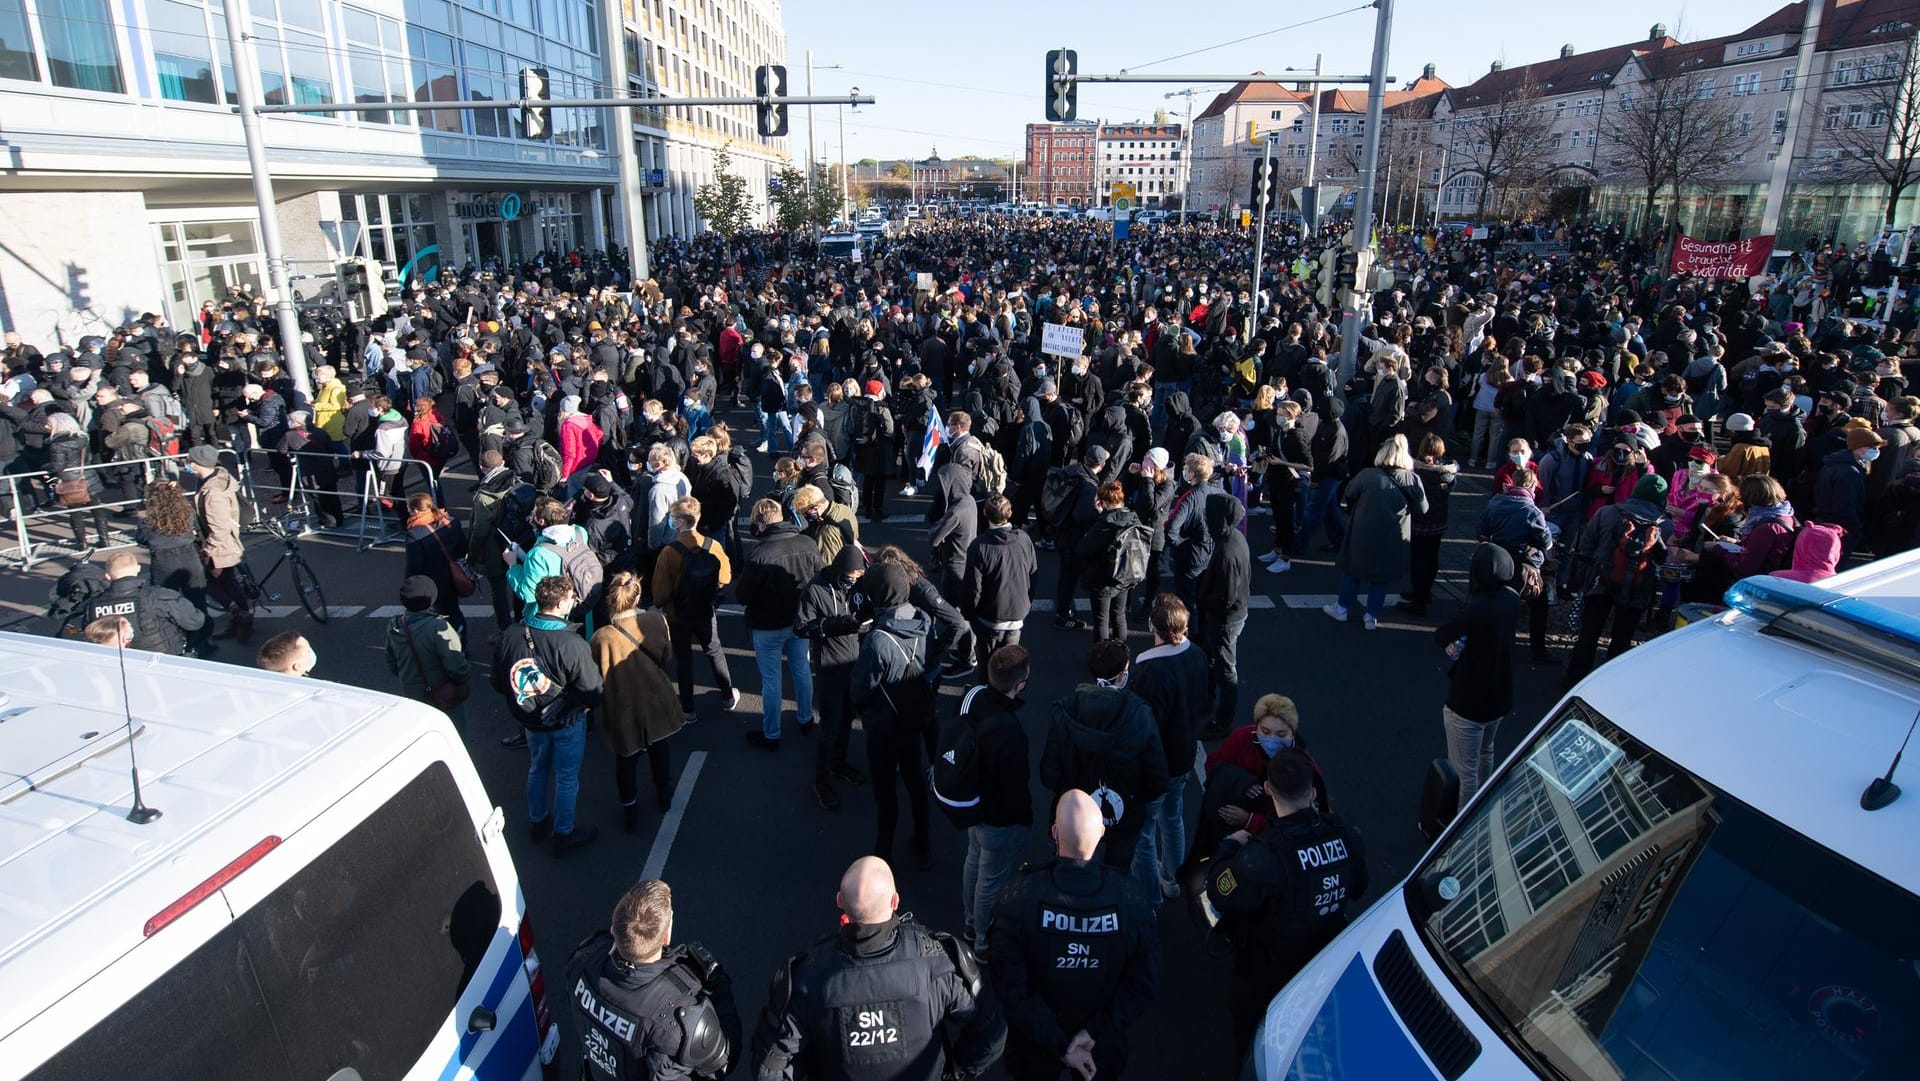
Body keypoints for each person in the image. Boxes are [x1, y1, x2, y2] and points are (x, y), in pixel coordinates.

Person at [751, 856, 1005, 1081]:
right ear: (895, 901)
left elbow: (770, 1066)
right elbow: (992, 1031)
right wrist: (956, 1070)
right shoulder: (937, 963)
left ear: (840, 900)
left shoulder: (808, 977)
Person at [1204, 749, 1369, 1056]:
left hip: (1269, 970)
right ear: (1313, 791)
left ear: (1268, 788)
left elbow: (1219, 890)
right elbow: (1359, 887)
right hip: (1325, 962)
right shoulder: (1344, 834)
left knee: (1255, 1042)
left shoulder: (1264, 856)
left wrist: (1229, 847)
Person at [988, 790, 1160, 1081]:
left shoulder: (1018, 898)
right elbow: (1144, 982)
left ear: (1055, 832)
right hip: (1100, 1044)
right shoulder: (1131, 901)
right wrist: (1094, 1031)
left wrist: (1059, 1043)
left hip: (1035, 1042)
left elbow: (1008, 985)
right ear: (1103, 832)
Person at [564, 879, 742, 1081]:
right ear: (666, 936)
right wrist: (719, 988)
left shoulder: (583, 960)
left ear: (614, 929)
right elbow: (724, 1060)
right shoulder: (680, 1018)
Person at [494, 574, 603, 854]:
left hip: (531, 721)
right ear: (561, 604)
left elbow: (498, 681)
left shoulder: (512, 634)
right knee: (567, 778)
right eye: (571, 598)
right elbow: (593, 690)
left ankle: (538, 820)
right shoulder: (571, 644)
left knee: (537, 768)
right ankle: (563, 833)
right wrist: (572, 705)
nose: (574, 601)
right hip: (565, 722)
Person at [1041, 638, 1168, 873]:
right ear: (1122, 676)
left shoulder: (1065, 710)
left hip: (1074, 817)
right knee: (1117, 874)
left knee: (1070, 872)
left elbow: (1049, 773)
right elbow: (1157, 777)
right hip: (1124, 815)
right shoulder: (1140, 714)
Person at [850, 562, 936, 867]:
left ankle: (883, 853)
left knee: (886, 794)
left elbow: (862, 687)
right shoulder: (922, 620)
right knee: (915, 781)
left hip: (885, 727)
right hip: (914, 718)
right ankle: (923, 841)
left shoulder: (877, 640)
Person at [1127, 594, 1211, 899]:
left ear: (1154, 626)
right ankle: (1174, 879)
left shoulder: (1150, 671)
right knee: (1173, 818)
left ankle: (1149, 896)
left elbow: (1145, 726)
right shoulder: (1197, 655)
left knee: (1144, 833)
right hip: (1183, 755)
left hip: (1155, 764)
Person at [953, 644, 1034, 956]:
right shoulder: (1011, 733)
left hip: (974, 807)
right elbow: (1015, 784)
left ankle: (971, 921)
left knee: (974, 862)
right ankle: (982, 938)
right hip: (1000, 817)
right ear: (1019, 685)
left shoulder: (975, 700)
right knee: (991, 878)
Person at [591, 572, 683, 830]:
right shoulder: (655, 621)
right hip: (654, 694)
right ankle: (663, 793)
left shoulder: (601, 637)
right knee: (659, 747)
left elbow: (596, 673)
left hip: (622, 703)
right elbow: (666, 655)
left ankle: (630, 808)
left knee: (626, 758)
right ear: (637, 596)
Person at [1433, 544, 1522, 806]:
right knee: (1486, 752)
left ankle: (1462, 827)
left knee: (1464, 773)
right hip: (1499, 695)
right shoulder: (1512, 600)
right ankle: (1485, 806)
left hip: (1468, 699)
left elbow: (1443, 634)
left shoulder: (1477, 609)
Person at [1564, 474, 1673, 686]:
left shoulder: (1607, 512)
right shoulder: (1665, 525)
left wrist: (1583, 577)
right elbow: (1662, 559)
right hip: (1638, 587)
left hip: (1601, 581)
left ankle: (1574, 680)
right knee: (1622, 638)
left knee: (1589, 633)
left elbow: (1586, 546)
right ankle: (1609, 684)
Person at [736, 497, 824, 749]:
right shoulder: (807, 543)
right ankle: (806, 718)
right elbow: (819, 577)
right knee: (802, 669)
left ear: (760, 524)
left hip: (768, 625)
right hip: (800, 620)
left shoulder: (761, 553)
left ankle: (772, 733)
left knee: (771, 680)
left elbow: (743, 595)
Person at [796, 544, 872, 810]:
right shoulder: (815, 589)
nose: (854, 581)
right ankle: (821, 780)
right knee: (829, 728)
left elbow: (867, 612)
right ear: (840, 570)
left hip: (855, 665)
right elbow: (801, 627)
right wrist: (831, 626)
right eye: (850, 576)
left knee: (847, 721)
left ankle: (839, 764)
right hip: (830, 669)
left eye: (858, 576)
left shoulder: (859, 586)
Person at [1324, 434, 1427, 630]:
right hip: (1393, 535)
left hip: (1363, 531)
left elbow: (1349, 492)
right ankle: (1371, 616)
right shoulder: (1413, 479)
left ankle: (1342, 608)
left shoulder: (1368, 475)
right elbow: (1423, 508)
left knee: (1353, 570)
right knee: (1381, 577)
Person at [652, 495, 739, 722]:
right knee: (714, 650)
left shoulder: (669, 552)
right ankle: (727, 695)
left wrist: (663, 604)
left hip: (677, 614)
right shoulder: (713, 545)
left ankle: (688, 709)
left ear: (679, 521)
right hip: (704, 609)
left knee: (683, 659)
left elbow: (660, 592)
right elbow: (725, 577)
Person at [80, 550, 206, 656]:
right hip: (165, 660)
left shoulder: (93, 605)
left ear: (107, 576)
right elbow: (195, 621)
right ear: (138, 568)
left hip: (118, 663)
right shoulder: (157, 596)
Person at [962, 494, 1036, 671]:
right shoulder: (1024, 539)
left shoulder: (979, 546)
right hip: (1017, 614)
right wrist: (1025, 603)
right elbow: (1033, 575)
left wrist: (970, 614)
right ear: (1009, 513)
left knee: (989, 666)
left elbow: (973, 588)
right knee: (1010, 666)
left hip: (989, 617)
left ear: (985, 513)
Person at [186, 444, 252, 642]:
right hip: (223, 543)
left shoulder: (212, 492)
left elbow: (220, 527)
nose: (187, 464)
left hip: (220, 546)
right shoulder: (215, 480)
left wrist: (209, 552)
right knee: (226, 583)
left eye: (190, 461)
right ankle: (240, 619)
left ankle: (241, 617)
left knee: (209, 582)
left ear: (198, 464)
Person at [1196, 493, 1252, 731]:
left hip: (1224, 620)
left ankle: (1223, 721)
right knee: (1214, 661)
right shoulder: (1236, 537)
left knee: (1226, 671)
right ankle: (1208, 702)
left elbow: (1225, 598)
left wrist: (1203, 598)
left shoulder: (1226, 552)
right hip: (1231, 615)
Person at [384, 575, 471, 725]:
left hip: (412, 696)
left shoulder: (395, 625)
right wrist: (464, 676)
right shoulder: (438, 627)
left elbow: (391, 662)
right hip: (441, 694)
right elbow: (456, 667)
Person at [1075, 481, 1144, 642]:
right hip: (1126, 575)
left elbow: (1082, 549)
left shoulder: (1104, 524)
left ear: (1103, 502)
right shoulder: (1133, 518)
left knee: (1101, 619)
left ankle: (1102, 656)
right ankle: (1121, 652)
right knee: (1119, 616)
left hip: (1103, 579)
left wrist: (1100, 515)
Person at [403, 491, 471, 637]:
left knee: (438, 615)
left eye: (409, 509)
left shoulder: (414, 534)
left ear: (415, 510)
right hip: (453, 577)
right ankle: (461, 645)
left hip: (432, 582)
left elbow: (414, 566)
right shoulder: (451, 521)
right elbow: (463, 548)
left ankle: (445, 647)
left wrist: (409, 585)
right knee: (454, 611)